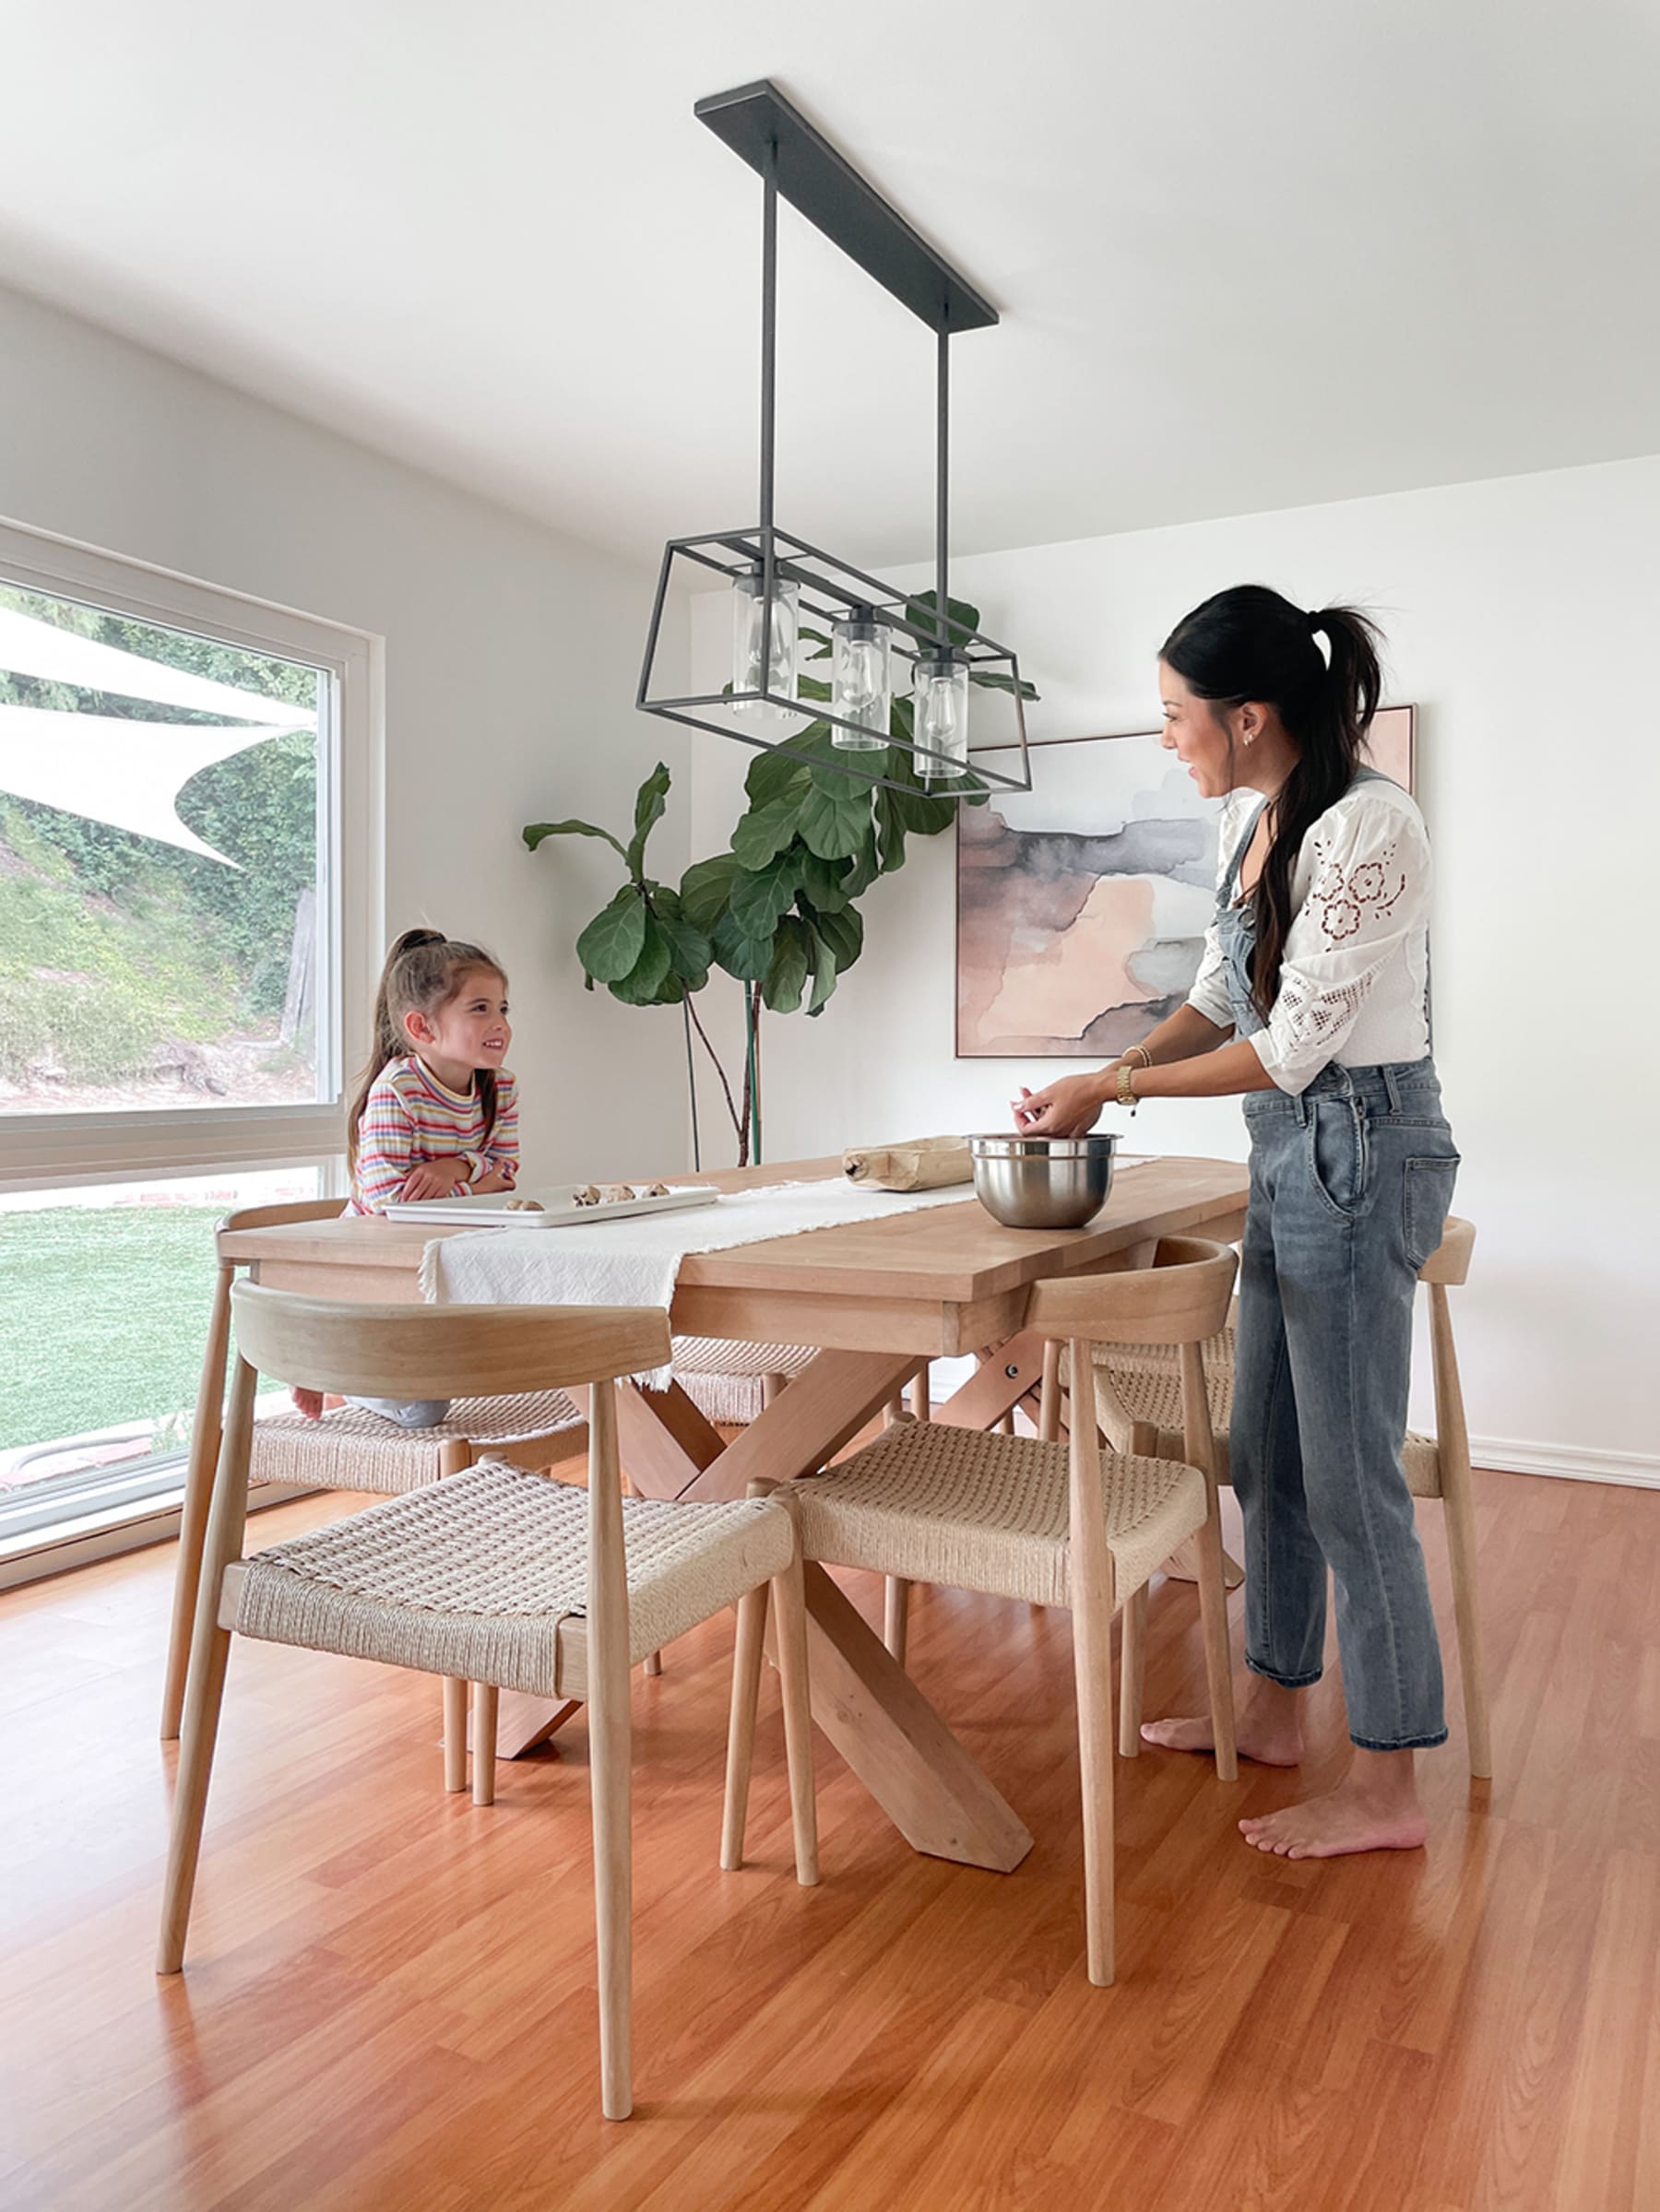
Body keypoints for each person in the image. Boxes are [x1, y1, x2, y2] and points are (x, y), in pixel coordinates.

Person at [1014, 584, 1459, 1861]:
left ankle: (1387, 1783)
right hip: (1296, 1146)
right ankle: (1271, 1703)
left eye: (1174, 715)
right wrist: (1104, 1071)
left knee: (1348, 1472)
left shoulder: (1374, 827)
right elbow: (1218, 995)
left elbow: (1296, 1044)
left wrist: (1120, 1085)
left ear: (1248, 713)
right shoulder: (1257, 822)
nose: (1167, 736)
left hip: (1360, 1138)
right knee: (1264, 1446)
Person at [292, 928, 519, 1426]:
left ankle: (340, 1359)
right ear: (422, 1027)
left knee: (517, 1353)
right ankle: (338, 1370)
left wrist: (452, 1168)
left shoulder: (501, 1088)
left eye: (503, 1008)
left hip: (442, 1257)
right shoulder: (398, 1089)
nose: (499, 1022)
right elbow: (385, 1201)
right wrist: (474, 1183)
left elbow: (507, 1175)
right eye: (479, 1009)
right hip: (376, 1267)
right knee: (423, 1410)